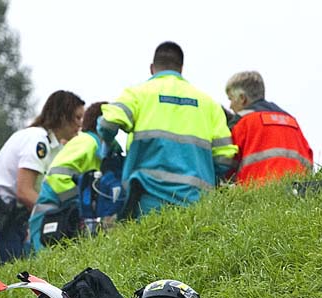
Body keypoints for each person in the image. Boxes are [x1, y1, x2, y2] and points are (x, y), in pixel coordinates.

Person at [98, 41, 238, 219]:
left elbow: (107, 124)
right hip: (197, 201)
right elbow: (225, 157)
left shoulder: (138, 94)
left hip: (147, 198)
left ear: (152, 68)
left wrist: (107, 145)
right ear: (181, 69)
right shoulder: (208, 104)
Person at [0, 90, 85, 265]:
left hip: (11, 221)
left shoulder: (53, 146)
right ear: (63, 116)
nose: (80, 124)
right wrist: (56, 216)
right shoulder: (38, 140)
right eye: (77, 118)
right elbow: (24, 192)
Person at [28, 101, 124, 252]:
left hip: (60, 212)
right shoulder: (87, 142)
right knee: (45, 264)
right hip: (50, 213)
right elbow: (58, 175)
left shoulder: (98, 146)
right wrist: (81, 203)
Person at [225, 70, 313, 187]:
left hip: (258, 193)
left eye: (230, 99)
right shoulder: (291, 121)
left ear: (242, 98)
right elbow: (308, 158)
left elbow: (226, 166)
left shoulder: (242, 123)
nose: (230, 106)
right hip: (299, 191)